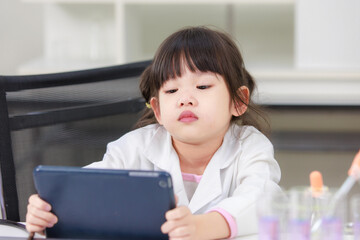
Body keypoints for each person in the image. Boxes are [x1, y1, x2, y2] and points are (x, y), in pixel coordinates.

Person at [26, 26, 281, 239]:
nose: (185, 99)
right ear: (158, 110)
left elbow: (261, 198)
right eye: (171, 91)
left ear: (238, 100)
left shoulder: (249, 146)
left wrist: (202, 226)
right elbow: (89, 187)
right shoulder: (134, 148)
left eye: (202, 86)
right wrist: (50, 208)